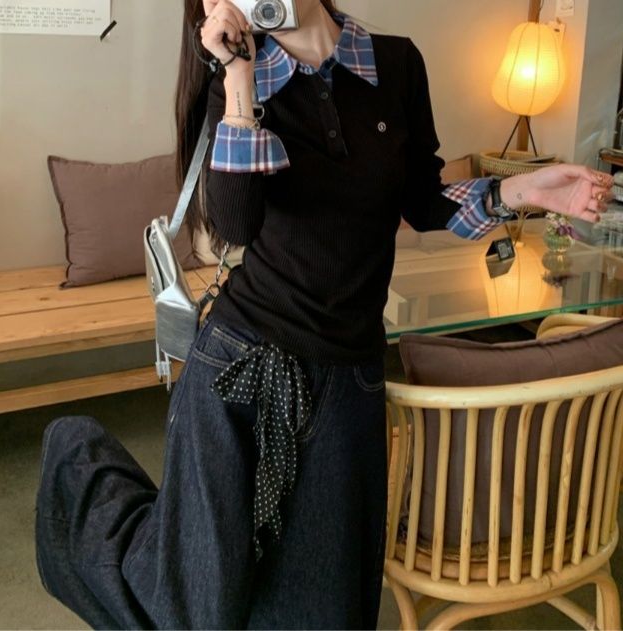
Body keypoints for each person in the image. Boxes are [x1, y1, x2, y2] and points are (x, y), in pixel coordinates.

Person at [35, 0, 615, 628]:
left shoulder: (396, 64)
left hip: (346, 380)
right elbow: (236, 223)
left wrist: (520, 191)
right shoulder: (235, 81)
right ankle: (79, 463)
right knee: (196, 610)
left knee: (325, 611)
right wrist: (238, 76)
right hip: (240, 365)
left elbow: (422, 199)